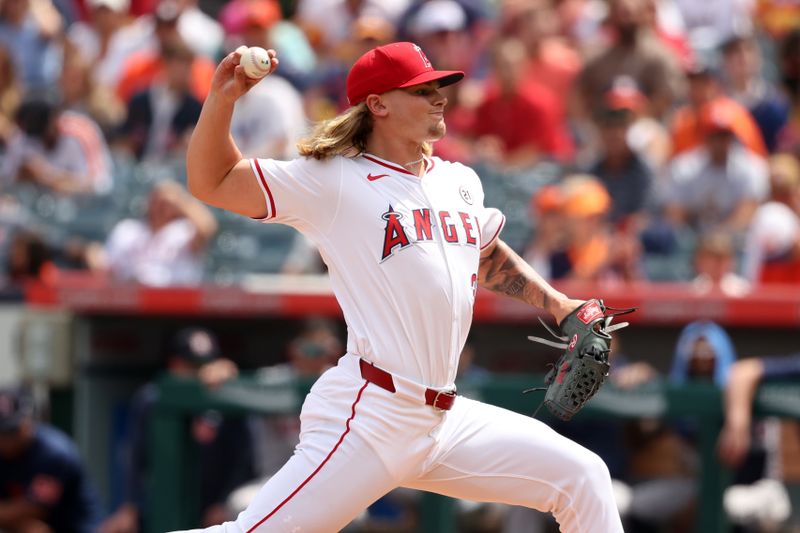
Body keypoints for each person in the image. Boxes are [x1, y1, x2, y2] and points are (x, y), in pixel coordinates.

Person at [182, 41, 623, 532]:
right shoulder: (335, 180)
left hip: (443, 420)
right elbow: (214, 181)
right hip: (372, 415)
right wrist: (222, 99)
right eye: (422, 90)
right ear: (378, 104)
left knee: (584, 477)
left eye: (440, 88)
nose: (439, 98)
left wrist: (562, 305)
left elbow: (483, 252)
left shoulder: (458, 180)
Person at [100, 327, 254, 532]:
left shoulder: (225, 398)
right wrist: (131, 505)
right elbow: (136, 457)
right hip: (169, 502)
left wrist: (224, 501)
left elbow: (243, 456)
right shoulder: (152, 399)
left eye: (204, 364)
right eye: (191, 365)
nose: (198, 371)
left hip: (214, 505)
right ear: (174, 364)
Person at [0, 386, 101, 533]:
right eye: (1, 432)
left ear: (28, 422)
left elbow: (34, 509)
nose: (7, 439)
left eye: (12, 431)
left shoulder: (54, 452)